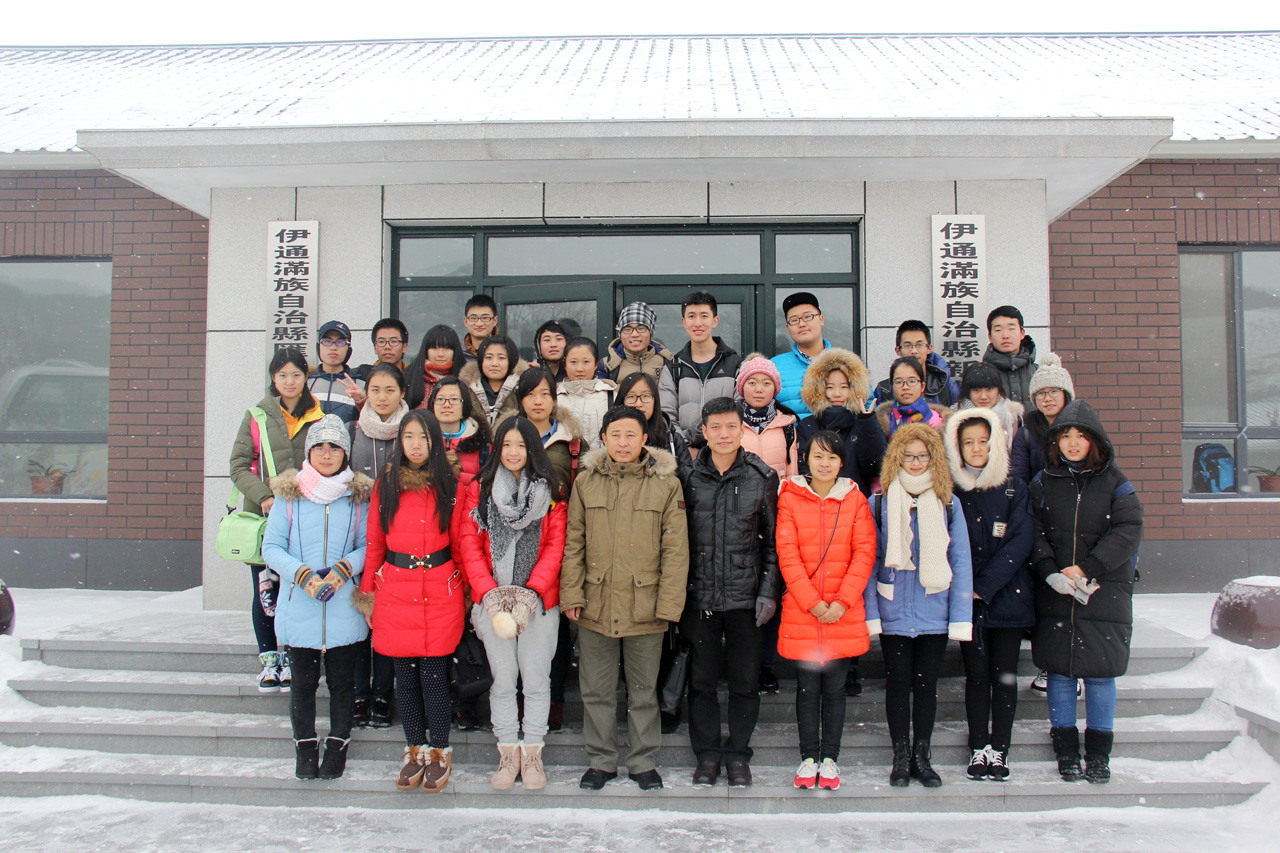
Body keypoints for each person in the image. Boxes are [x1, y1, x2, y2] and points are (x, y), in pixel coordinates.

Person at [560, 405, 689, 792]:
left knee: (643, 692)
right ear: (603, 438)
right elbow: (574, 542)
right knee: (596, 690)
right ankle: (600, 761)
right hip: (595, 603)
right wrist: (572, 593)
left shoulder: (666, 484)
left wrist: (669, 606)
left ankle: (643, 761)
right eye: (615, 434)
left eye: (631, 434)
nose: (623, 442)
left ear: (645, 439)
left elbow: (676, 550)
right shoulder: (586, 482)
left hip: (645, 605)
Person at [352, 410, 471, 794]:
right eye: (408, 437)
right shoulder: (386, 483)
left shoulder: (452, 484)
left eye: (423, 437)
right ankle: (414, 748)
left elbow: (460, 542)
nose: (416, 445)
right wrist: (368, 594)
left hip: (440, 586)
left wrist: (467, 590)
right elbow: (375, 542)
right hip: (396, 588)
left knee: (434, 676)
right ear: (399, 441)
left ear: (435, 441)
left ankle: (439, 750)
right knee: (404, 677)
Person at [1029, 400, 1143, 785]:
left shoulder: (1116, 482)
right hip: (1057, 591)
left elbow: (1128, 531)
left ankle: (1098, 755)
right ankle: (1065, 751)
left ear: (1095, 440)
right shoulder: (1043, 482)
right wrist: (1049, 571)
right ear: (1056, 441)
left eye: (1081, 436)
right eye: (1066, 435)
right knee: (1060, 672)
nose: (1073, 443)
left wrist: (1088, 568)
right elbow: (1033, 532)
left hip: (1103, 592)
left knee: (1100, 674)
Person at [458, 417, 567, 791]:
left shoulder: (551, 490)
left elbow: (555, 546)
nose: (513, 452)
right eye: (506, 445)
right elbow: (470, 544)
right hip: (493, 602)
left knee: (536, 680)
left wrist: (530, 593)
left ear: (532, 448)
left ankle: (533, 753)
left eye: (521, 445)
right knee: (503, 681)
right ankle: (507, 752)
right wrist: (489, 593)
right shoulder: (481, 489)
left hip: (538, 603)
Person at [261, 415, 372, 780]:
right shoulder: (289, 496)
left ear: (345, 453)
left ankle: (338, 746)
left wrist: (344, 569)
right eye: (320, 447)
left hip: (342, 606)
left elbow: (367, 546)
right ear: (309, 452)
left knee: (342, 684)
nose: (327, 454)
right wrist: (301, 574)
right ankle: (305, 748)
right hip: (300, 606)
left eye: (335, 447)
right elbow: (271, 547)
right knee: (303, 685)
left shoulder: (357, 497)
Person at [679, 397, 780, 789]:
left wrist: (768, 592)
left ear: (742, 430)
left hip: (745, 597)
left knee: (744, 683)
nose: (724, 434)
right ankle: (706, 754)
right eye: (715, 427)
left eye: (731, 426)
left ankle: (738, 754)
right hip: (699, 596)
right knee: (701, 683)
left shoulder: (761, 476)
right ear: (704, 431)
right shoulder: (688, 476)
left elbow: (773, 543)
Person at [865, 423, 973, 788]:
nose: (914, 462)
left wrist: (960, 617)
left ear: (933, 458)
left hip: (934, 609)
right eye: (908, 456)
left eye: (922, 456)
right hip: (893, 609)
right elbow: (870, 561)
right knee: (898, 683)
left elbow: (960, 562)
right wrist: (871, 613)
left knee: (926, 686)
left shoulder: (948, 503)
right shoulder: (879, 502)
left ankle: (921, 756)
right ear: (896, 458)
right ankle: (900, 755)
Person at [775, 431, 877, 791]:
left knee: (835, 689)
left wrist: (841, 602)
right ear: (805, 458)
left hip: (841, 611)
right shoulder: (789, 496)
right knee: (807, 689)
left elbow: (864, 552)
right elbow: (787, 553)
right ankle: (808, 757)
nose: (824, 463)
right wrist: (812, 602)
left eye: (832, 457)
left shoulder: (855, 499)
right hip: (804, 610)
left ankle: (830, 759)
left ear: (841, 463)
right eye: (818, 456)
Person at [943, 408, 1035, 781]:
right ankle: (979, 746)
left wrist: (984, 586)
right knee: (977, 676)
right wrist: (968, 588)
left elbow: (1020, 540)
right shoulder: (951, 490)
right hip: (969, 604)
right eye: (968, 442)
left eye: (983, 441)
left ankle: (1000, 748)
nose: (977, 448)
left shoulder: (1014, 487)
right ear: (957, 447)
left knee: (1005, 677)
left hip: (1008, 598)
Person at [228, 347, 324, 693]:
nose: (289, 381)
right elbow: (238, 465)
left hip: (306, 517)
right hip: (265, 517)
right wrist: (264, 496)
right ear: (273, 377)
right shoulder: (256, 416)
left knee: (298, 588)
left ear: (306, 377)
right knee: (266, 590)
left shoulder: (319, 415)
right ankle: (270, 661)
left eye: (296, 374)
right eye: (282, 375)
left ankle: (295, 658)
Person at [346, 362, 408, 727]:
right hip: (357, 533)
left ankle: (383, 693)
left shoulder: (413, 430)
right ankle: (359, 692)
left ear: (403, 393)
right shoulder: (351, 428)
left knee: (386, 618)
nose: (382, 397)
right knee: (360, 614)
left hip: (399, 534)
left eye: (390, 390)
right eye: (375, 390)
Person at [797, 347, 886, 497]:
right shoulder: (807, 426)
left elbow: (875, 467)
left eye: (844, 387)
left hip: (856, 502)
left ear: (855, 389)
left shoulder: (864, 423)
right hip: (817, 502)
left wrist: (867, 423)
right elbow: (804, 471)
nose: (837, 394)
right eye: (830, 387)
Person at [658, 292, 742, 448]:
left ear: (715, 321)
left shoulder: (734, 365)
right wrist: (686, 449)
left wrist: (718, 449)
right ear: (684, 322)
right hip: (686, 455)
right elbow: (666, 417)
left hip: (725, 451)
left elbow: (740, 414)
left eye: (704, 316)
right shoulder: (674, 367)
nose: (697, 323)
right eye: (691, 316)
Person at [513, 366, 584, 490]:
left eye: (545, 394)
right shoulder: (507, 438)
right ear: (521, 400)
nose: (538, 401)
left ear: (554, 399)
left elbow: (582, 490)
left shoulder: (571, 441)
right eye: (530, 394)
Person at [1011, 352, 1075, 485]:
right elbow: (1019, 479)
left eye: (1054, 391)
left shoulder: (1081, 427)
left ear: (1066, 394)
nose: (1047, 398)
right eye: (1041, 393)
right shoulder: (1026, 434)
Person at [615, 372, 693, 477]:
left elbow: (687, 479)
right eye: (631, 396)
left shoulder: (671, 439)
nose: (638, 404)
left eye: (645, 396)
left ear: (655, 401)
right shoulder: (611, 437)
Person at [735, 354, 799, 479]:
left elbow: (792, 473)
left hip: (777, 491)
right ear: (742, 387)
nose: (759, 389)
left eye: (766, 383)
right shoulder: (731, 423)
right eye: (752, 383)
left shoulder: (786, 425)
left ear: (775, 388)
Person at [872, 320, 960, 408]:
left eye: (920, 345)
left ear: (929, 348)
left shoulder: (945, 384)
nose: (914, 351)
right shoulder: (884, 390)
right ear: (898, 350)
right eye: (907, 346)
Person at [771, 292, 832, 416]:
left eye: (808, 317)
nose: (802, 324)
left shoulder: (847, 363)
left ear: (821, 319)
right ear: (788, 328)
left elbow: (866, 409)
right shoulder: (774, 367)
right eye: (794, 320)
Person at [427, 376, 492, 484]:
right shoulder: (422, 440)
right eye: (440, 399)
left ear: (465, 404)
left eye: (454, 399)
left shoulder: (482, 444)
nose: (446, 405)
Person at [557, 336, 616, 452]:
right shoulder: (554, 398)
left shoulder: (612, 396)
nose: (580, 368)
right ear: (565, 364)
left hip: (602, 462)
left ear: (596, 364)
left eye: (586, 362)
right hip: (563, 462)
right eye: (573, 362)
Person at [596, 301, 673, 383]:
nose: (634, 334)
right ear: (620, 334)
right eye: (627, 329)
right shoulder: (606, 366)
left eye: (641, 328)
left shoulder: (668, 363)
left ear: (651, 333)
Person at [875, 356, 952, 438]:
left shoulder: (936, 421)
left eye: (912, 381)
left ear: (922, 386)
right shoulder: (883, 421)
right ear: (892, 387)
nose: (905, 387)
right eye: (899, 382)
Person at [307, 320, 366, 423]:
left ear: (349, 349)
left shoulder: (360, 386)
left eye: (340, 342)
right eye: (327, 341)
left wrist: (362, 402)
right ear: (318, 346)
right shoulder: (306, 383)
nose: (333, 347)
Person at [462, 335, 528, 426]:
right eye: (489, 357)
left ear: (512, 360)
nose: (494, 364)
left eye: (501, 358)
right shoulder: (466, 388)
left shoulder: (523, 388)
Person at [956, 362, 1024, 449]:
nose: (983, 396)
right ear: (968, 392)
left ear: (998, 390)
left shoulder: (1013, 417)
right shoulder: (954, 419)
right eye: (976, 390)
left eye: (989, 389)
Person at [982, 305, 1039, 406]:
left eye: (1011, 329)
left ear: (1022, 333)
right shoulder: (981, 374)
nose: (1005, 335)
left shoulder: (1039, 373)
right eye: (998, 330)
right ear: (990, 337)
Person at [407, 324, 467, 410]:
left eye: (447, 348)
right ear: (426, 350)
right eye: (435, 348)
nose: (440, 354)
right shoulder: (410, 377)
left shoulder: (465, 379)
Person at [351, 318, 411, 383]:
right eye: (381, 341)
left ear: (404, 347)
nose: (387, 347)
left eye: (393, 341)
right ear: (375, 347)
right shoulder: (362, 377)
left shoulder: (414, 378)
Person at [462, 294, 500, 363]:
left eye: (485, 318)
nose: (479, 324)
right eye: (473, 318)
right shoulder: (456, 355)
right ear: (465, 321)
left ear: (495, 321)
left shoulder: (507, 353)